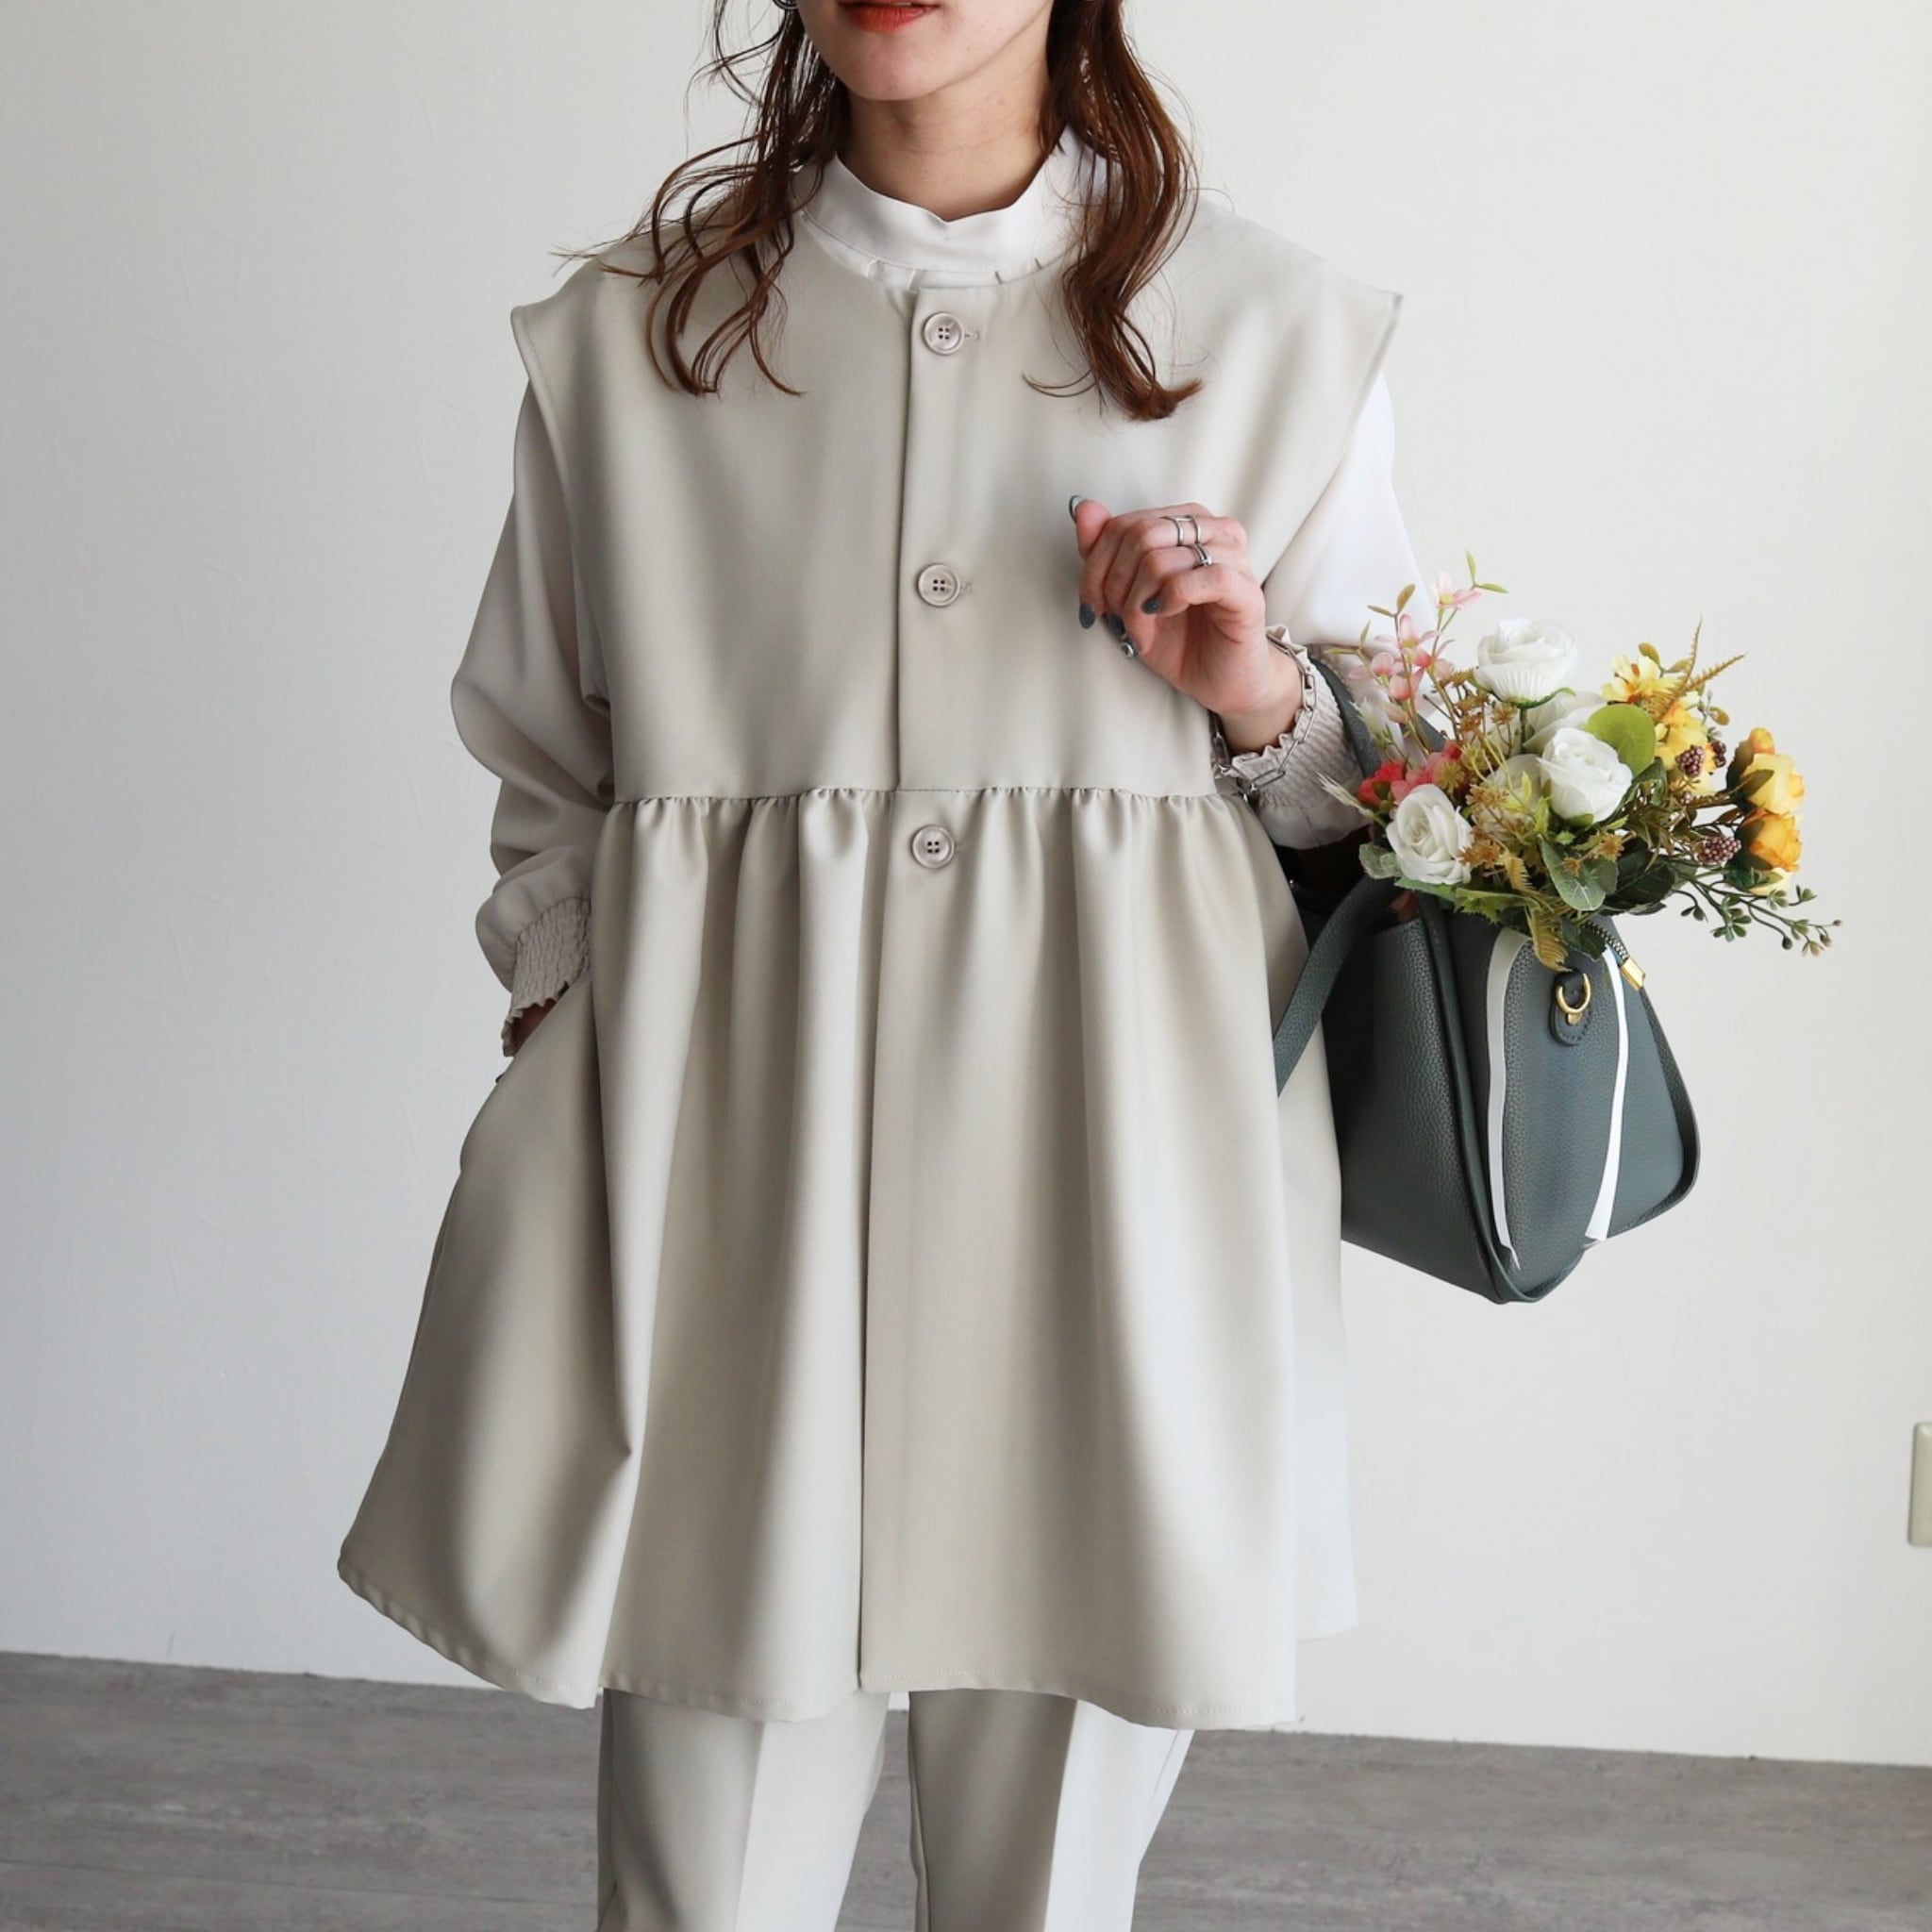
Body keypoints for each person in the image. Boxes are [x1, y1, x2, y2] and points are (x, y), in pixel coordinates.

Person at [338, 2, 1429, 1924]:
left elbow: (1389, 817)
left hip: (1120, 1186)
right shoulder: (633, 337)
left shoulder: (1277, 330)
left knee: (1041, 1895)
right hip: (726, 1181)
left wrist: (1253, 685)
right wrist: (585, 1030)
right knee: (704, 1888)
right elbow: (546, 769)